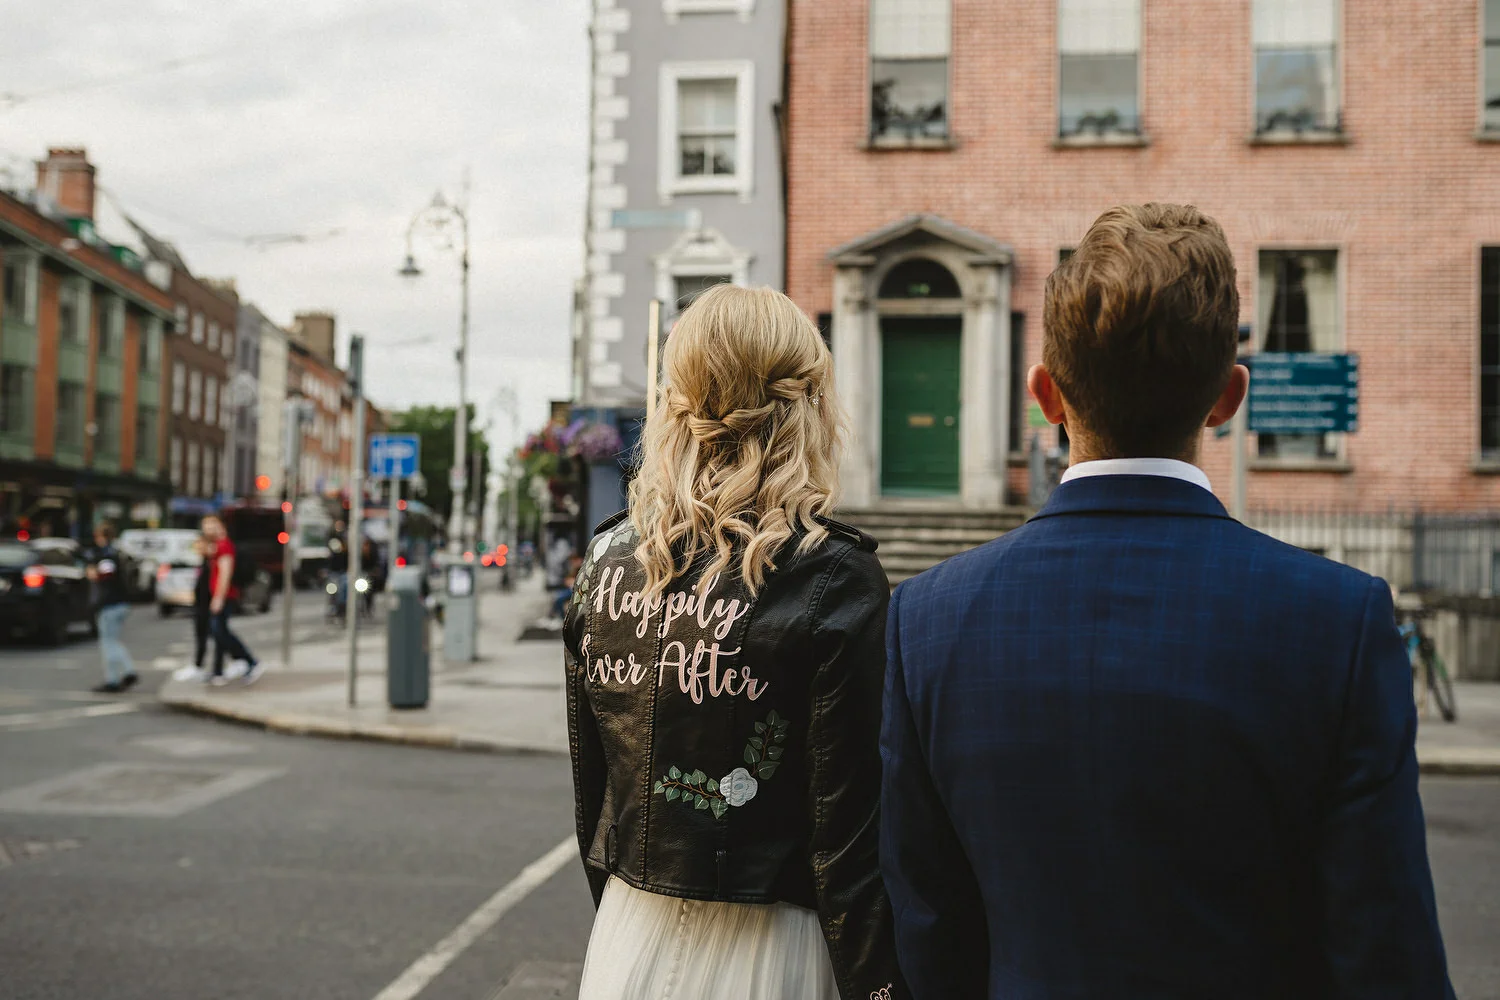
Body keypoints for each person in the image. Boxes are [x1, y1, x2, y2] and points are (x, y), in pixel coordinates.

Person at [880, 204, 1453, 998]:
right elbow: (1386, 951)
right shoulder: (1340, 621)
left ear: (1046, 394)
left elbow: (927, 931)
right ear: (1228, 397)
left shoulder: (927, 621)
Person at [566, 285, 903, 1000]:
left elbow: (594, 797)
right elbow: (845, 841)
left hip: (628, 936)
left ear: (675, 404)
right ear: (808, 405)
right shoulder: (837, 577)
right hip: (776, 949)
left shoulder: (606, 563)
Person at [201, 514, 263, 687]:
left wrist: (218, 598)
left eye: (211, 525)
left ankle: (248, 661)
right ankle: (218, 671)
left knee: (220, 632)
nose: (208, 529)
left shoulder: (225, 546)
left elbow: (225, 574)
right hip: (222, 596)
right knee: (219, 632)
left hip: (225, 596)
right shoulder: (217, 546)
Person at [86, 522, 137, 694]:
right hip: (120, 602)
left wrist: (94, 573)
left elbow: (105, 575)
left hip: (111, 603)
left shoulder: (106, 555)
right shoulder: (117, 553)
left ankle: (115, 678)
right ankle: (124, 673)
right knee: (112, 640)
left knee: (108, 642)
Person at [172, 535, 216, 683]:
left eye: (200, 545)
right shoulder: (203, 562)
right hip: (201, 605)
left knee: (216, 636)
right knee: (205, 636)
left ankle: (236, 661)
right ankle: (200, 666)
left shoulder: (210, 563)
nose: (197, 548)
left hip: (207, 605)